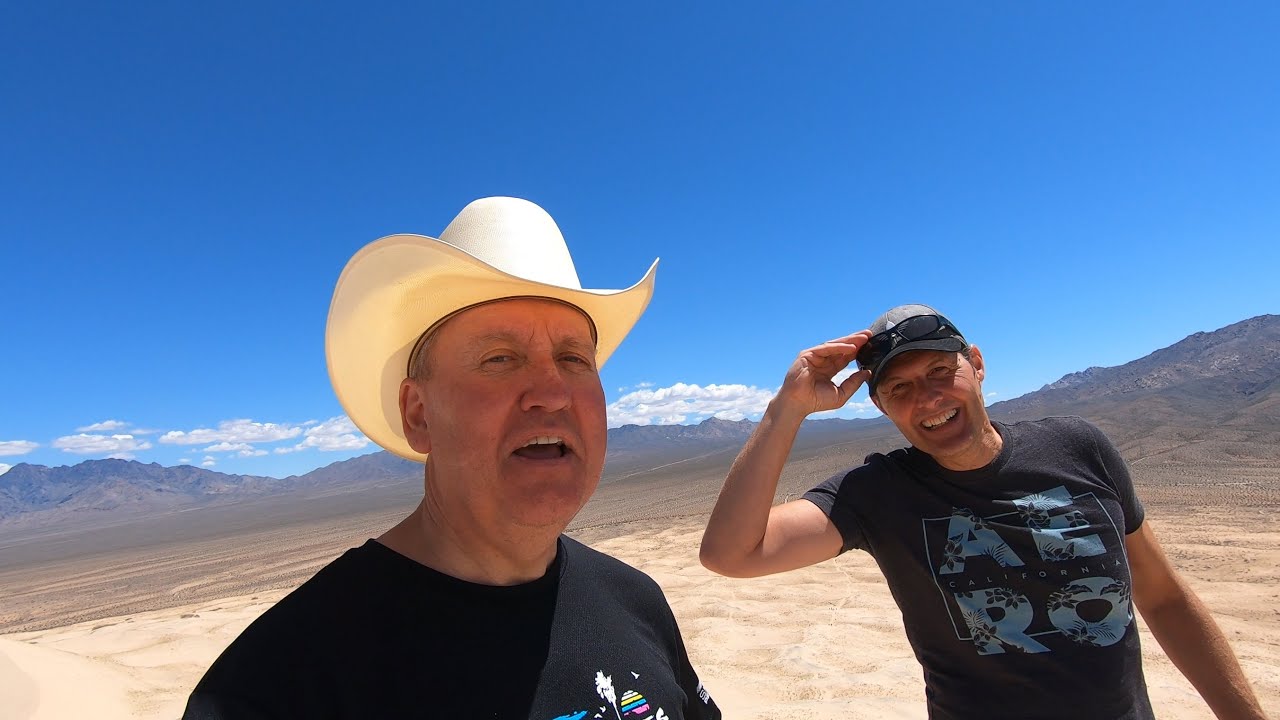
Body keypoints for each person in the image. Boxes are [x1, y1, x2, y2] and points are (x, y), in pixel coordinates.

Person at [185, 197, 720, 719]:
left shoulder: (636, 602)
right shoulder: (274, 690)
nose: (553, 392)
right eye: (500, 358)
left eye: (573, 357)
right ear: (418, 414)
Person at [699, 304, 1265, 720]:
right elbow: (731, 553)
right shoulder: (878, 493)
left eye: (940, 373)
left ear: (976, 364)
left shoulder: (1079, 447)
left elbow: (1163, 595)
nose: (927, 399)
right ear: (880, 406)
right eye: (899, 389)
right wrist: (788, 408)